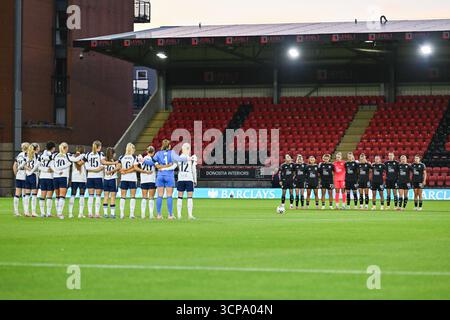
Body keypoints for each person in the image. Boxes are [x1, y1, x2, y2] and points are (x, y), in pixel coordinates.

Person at [144, 139, 190, 220]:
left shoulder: (158, 153)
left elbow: (152, 162)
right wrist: (187, 158)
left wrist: (144, 161)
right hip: (169, 175)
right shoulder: (171, 152)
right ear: (169, 146)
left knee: (159, 196)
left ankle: (159, 215)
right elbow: (179, 159)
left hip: (160, 175)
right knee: (169, 196)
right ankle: (170, 215)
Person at [51, 142, 84, 219]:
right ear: (65, 148)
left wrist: (57, 171)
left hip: (55, 177)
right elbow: (76, 159)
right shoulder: (67, 155)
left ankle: (57, 213)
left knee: (57, 196)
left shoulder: (55, 155)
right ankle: (59, 213)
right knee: (62, 196)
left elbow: (51, 164)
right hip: (63, 177)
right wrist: (83, 155)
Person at [84, 140, 116, 218]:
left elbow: (85, 166)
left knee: (91, 195)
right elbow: (104, 163)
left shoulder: (87, 154)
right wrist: (114, 163)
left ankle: (90, 213)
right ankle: (97, 213)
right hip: (98, 177)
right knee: (98, 196)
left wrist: (90, 169)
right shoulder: (100, 154)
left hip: (90, 177)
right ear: (99, 147)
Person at [176, 143, 197, 220]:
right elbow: (194, 170)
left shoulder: (179, 158)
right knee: (190, 197)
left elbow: (177, 167)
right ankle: (190, 215)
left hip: (181, 178)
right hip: (189, 178)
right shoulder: (191, 158)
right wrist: (195, 180)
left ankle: (179, 215)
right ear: (188, 149)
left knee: (180, 197)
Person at [118, 143, 140, 219]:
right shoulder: (134, 157)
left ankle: (121, 214)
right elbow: (135, 168)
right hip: (132, 179)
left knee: (122, 197)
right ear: (132, 149)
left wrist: (123, 171)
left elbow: (118, 167)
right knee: (132, 196)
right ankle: (131, 214)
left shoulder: (121, 157)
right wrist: (127, 171)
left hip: (124, 179)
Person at [38, 142, 56, 217]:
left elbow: (38, 166)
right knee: (49, 196)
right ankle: (48, 213)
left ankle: (42, 213)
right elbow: (52, 167)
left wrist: (44, 170)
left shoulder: (41, 155)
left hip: (42, 177)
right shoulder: (52, 156)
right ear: (53, 148)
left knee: (42, 195)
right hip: (49, 177)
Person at [69, 146, 87, 218]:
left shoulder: (72, 156)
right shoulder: (84, 156)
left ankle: (70, 213)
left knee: (72, 194)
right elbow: (81, 164)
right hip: (82, 178)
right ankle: (80, 213)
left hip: (74, 178)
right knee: (82, 195)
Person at [139, 146, 157, 219]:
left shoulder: (142, 159)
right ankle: (151, 214)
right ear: (153, 152)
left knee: (144, 197)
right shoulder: (154, 159)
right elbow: (154, 164)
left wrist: (142, 160)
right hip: (151, 179)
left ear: (147, 152)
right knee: (151, 197)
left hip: (143, 179)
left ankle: (143, 214)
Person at [22, 143, 40, 217]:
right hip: (34, 175)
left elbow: (24, 165)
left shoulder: (27, 155)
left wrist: (28, 171)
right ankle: (33, 212)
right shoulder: (37, 155)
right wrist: (32, 170)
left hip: (27, 176)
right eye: (38, 147)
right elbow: (37, 166)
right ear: (36, 149)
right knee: (34, 195)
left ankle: (26, 211)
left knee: (27, 195)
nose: (39, 148)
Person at [12, 142, 30, 217]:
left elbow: (14, 166)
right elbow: (25, 165)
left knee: (17, 194)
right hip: (25, 175)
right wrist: (31, 170)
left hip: (19, 175)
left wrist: (16, 174)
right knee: (25, 194)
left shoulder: (19, 155)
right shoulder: (26, 155)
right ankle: (26, 211)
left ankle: (16, 211)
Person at [103, 147, 121, 218]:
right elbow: (119, 167)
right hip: (113, 179)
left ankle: (105, 213)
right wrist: (112, 171)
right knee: (113, 197)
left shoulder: (104, 160)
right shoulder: (116, 161)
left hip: (105, 180)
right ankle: (112, 214)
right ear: (113, 154)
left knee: (106, 196)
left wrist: (108, 171)